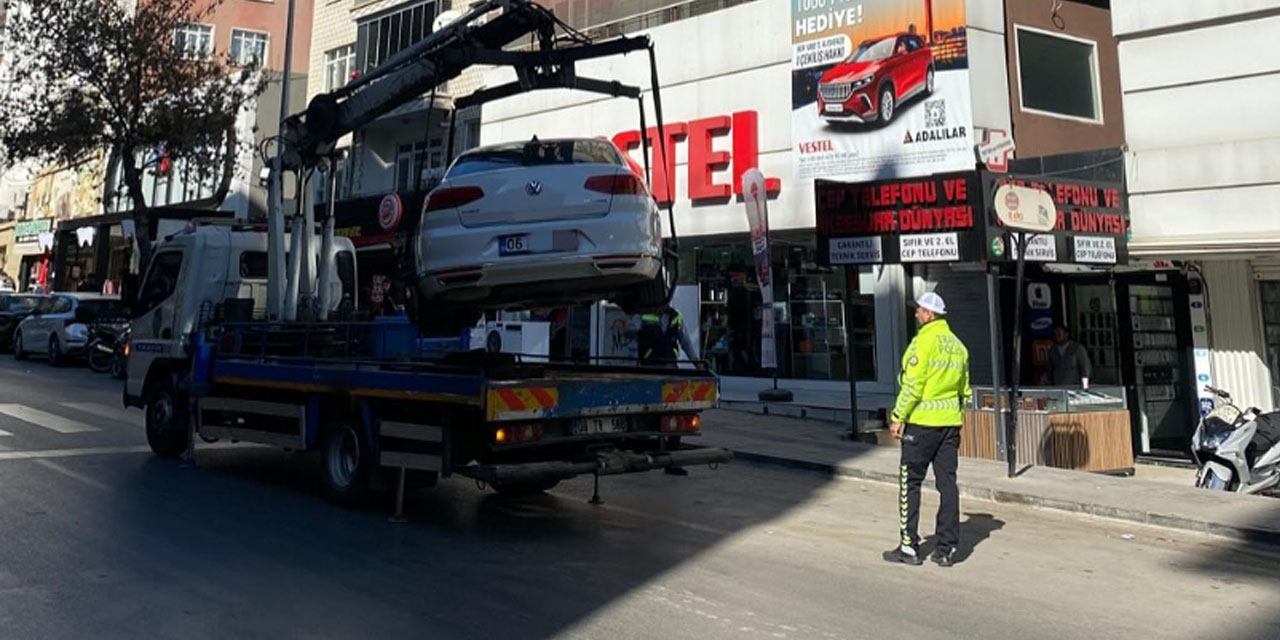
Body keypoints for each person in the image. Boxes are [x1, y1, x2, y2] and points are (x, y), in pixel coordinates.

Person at [883, 291, 971, 568]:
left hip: (921, 425)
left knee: (910, 482)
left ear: (930, 315)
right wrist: (955, 417)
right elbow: (964, 391)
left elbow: (913, 385)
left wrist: (898, 416)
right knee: (948, 484)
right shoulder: (958, 346)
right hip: (949, 425)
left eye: (920, 310)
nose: (916, 314)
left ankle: (908, 546)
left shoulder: (923, 343)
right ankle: (946, 549)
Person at [631, 305, 697, 475]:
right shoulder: (643, 314)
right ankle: (645, 453)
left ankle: (672, 461)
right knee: (649, 412)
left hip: (669, 369)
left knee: (676, 412)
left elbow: (685, 341)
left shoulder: (676, 316)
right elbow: (630, 331)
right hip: (650, 370)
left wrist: (696, 361)